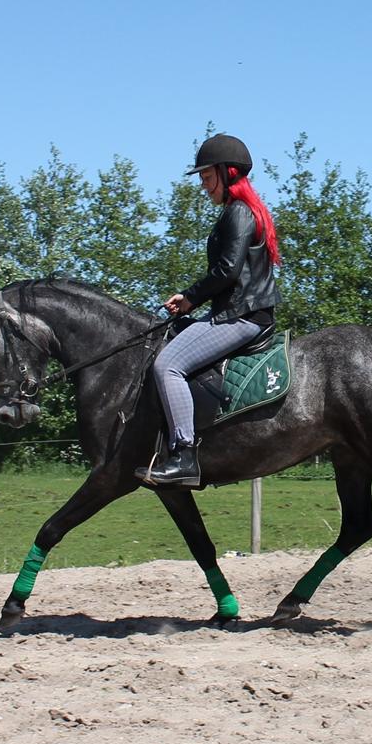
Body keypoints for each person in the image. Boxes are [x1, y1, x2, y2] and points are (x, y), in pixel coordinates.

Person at [136, 133, 281, 487]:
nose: (204, 186)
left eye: (207, 177)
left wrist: (189, 297)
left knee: (167, 365)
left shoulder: (239, 213)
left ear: (228, 173)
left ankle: (184, 454)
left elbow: (227, 271)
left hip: (242, 316)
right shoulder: (244, 212)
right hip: (237, 312)